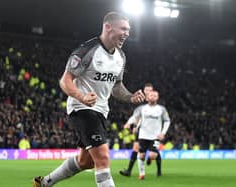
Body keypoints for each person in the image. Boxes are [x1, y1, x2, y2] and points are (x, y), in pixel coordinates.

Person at [32, 11, 145, 187]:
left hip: (101, 111)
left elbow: (116, 87)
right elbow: (65, 80)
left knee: (86, 162)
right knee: (103, 158)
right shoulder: (87, 50)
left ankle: (44, 183)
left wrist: (131, 97)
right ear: (108, 27)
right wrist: (81, 96)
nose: (127, 33)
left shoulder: (120, 57)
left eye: (128, 30)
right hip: (81, 108)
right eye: (123, 28)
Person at [124, 90, 170, 180]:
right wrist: (128, 123)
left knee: (153, 155)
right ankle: (142, 174)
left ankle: (150, 159)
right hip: (143, 135)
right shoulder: (142, 108)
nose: (152, 97)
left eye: (155, 96)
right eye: (151, 95)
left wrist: (163, 133)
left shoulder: (161, 109)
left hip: (155, 136)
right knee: (141, 155)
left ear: (157, 97)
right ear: (147, 97)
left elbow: (167, 121)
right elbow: (134, 117)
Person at [119, 83, 158, 177]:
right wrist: (131, 124)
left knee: (153, 153)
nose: (148, 92)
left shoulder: (154, 102)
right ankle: (129, 171)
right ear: (144, 91)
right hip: (142, 129)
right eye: (146, 90)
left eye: (150, 90)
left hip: (153, 131)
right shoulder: (140, 101)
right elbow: (136, 115)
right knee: (136, 147)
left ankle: (151, 161)